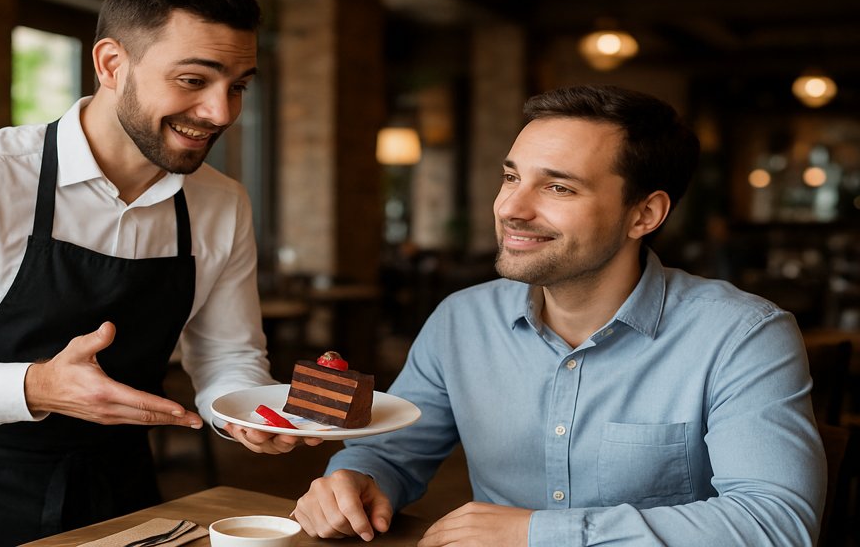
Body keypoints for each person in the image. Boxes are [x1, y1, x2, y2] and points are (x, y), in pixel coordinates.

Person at [0, 0, 319, 545]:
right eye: (194, 79)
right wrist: (36, 386)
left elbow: (227, 355)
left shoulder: (222, 204)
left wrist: (245, 412)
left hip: (121, 495)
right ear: (112, 64)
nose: (220, 112)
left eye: (239, 86)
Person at [292, 85, 826, 546]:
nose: (511, 208)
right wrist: (355, 480)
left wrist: (536, 534)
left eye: (558, 187)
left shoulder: (742, 335)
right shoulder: (461, 320)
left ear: (645, 213)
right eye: (510, 177)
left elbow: (776, 525)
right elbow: (395, 452)